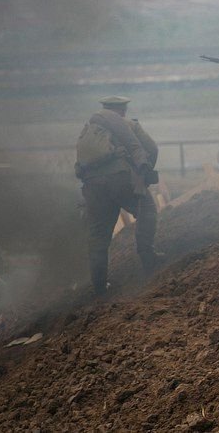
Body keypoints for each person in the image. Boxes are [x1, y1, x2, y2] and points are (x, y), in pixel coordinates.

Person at [74, 96, 161, 295]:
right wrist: (144, 175)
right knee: (146, 210)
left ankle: (99, 285)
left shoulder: (88, 130)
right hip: (121, 179)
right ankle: (148, 259)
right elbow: (152, 148)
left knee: (98, 236)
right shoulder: (128, 125)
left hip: (93, 188)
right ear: (123, 110)